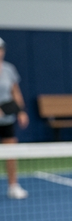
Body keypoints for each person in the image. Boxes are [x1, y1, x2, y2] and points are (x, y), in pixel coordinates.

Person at [0, 38, 30, 199]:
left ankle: (13, 186)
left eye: (1, 49)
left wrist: (21, 111)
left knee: (10, 153)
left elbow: (15, 93)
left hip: (6, 119)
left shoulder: (9, 69)